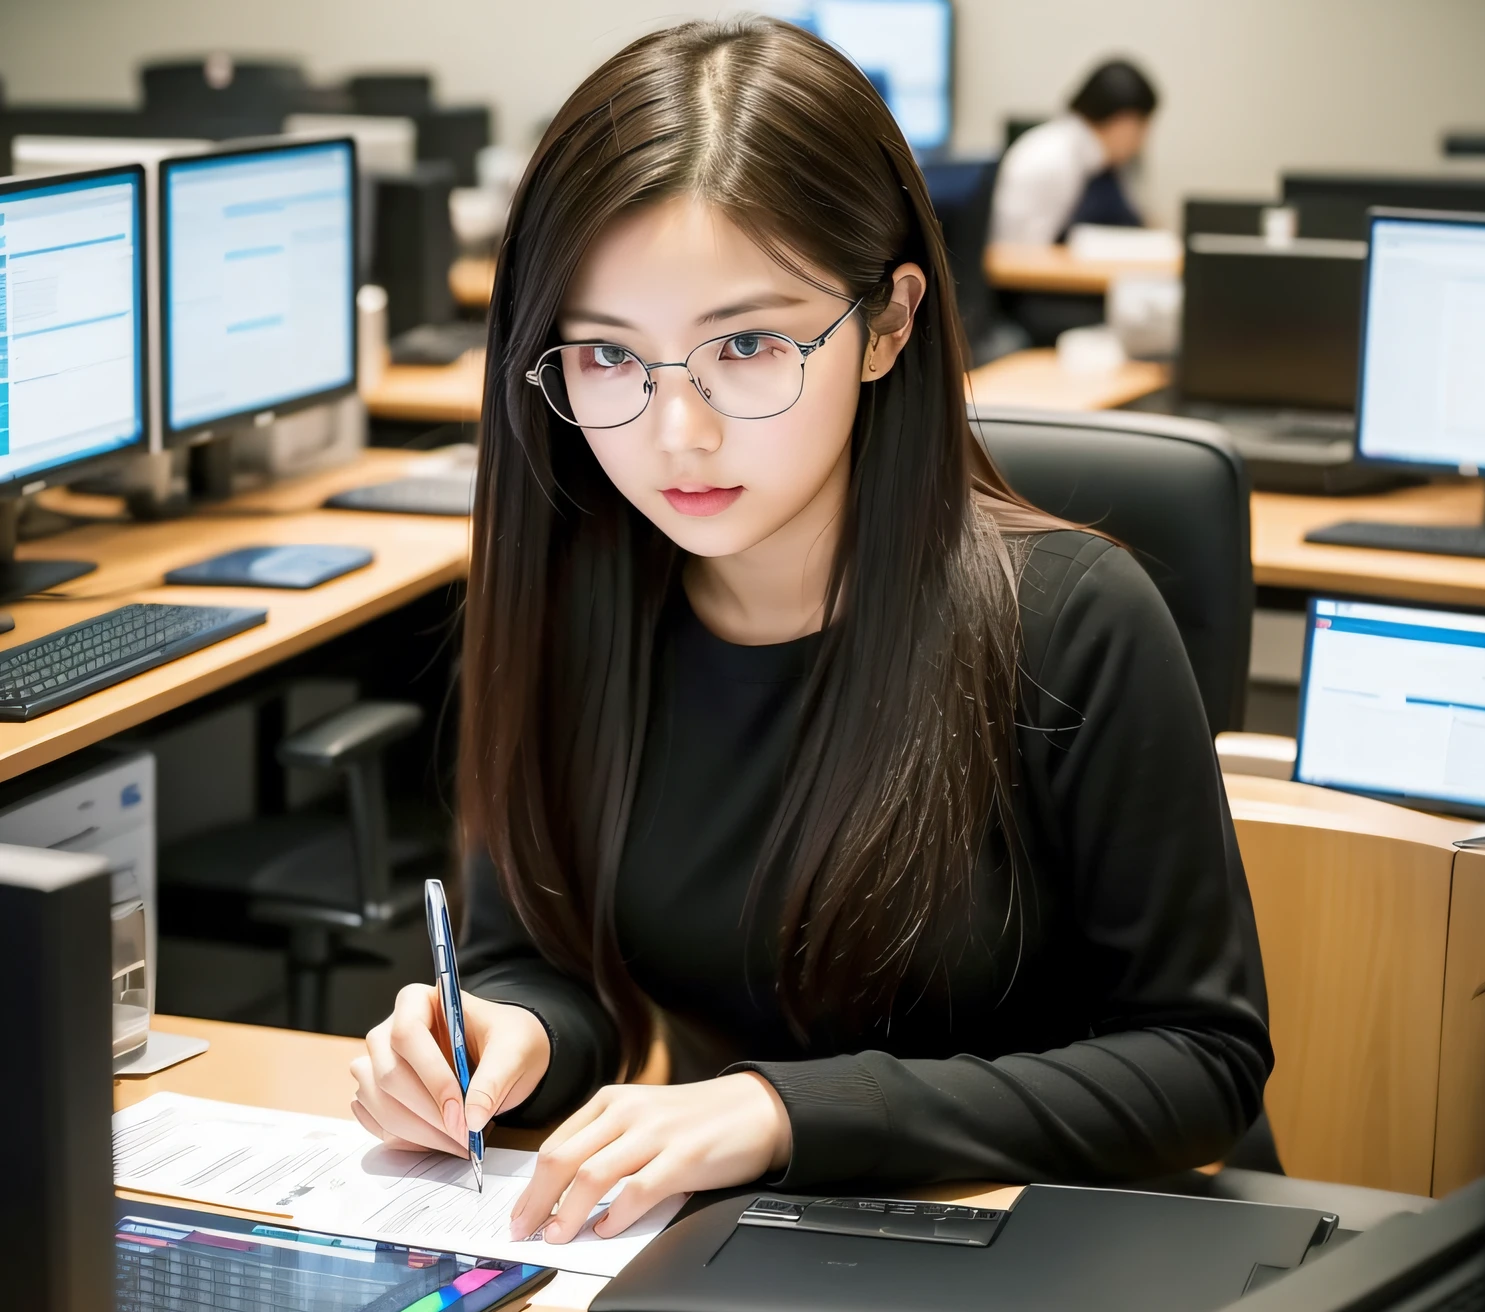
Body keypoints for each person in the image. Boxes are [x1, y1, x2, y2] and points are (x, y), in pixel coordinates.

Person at [349, 18, 1269, 1245]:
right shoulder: (579, 609)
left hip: (1072, 1253)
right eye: (608, 358)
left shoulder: (1075, 620)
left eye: (746, 346)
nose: (675, 434)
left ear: (889, 323)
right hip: (750, 1248)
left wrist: (786, 1114)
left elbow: (1199, 1067)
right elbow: (544, 964)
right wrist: (500, 1038)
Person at [990, 59, 1159, 248]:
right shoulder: (1053, 160)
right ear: (1123, 121)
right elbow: (1023, 254)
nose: (1142, 142)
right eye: (1142, 128)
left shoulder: (1095, 162)